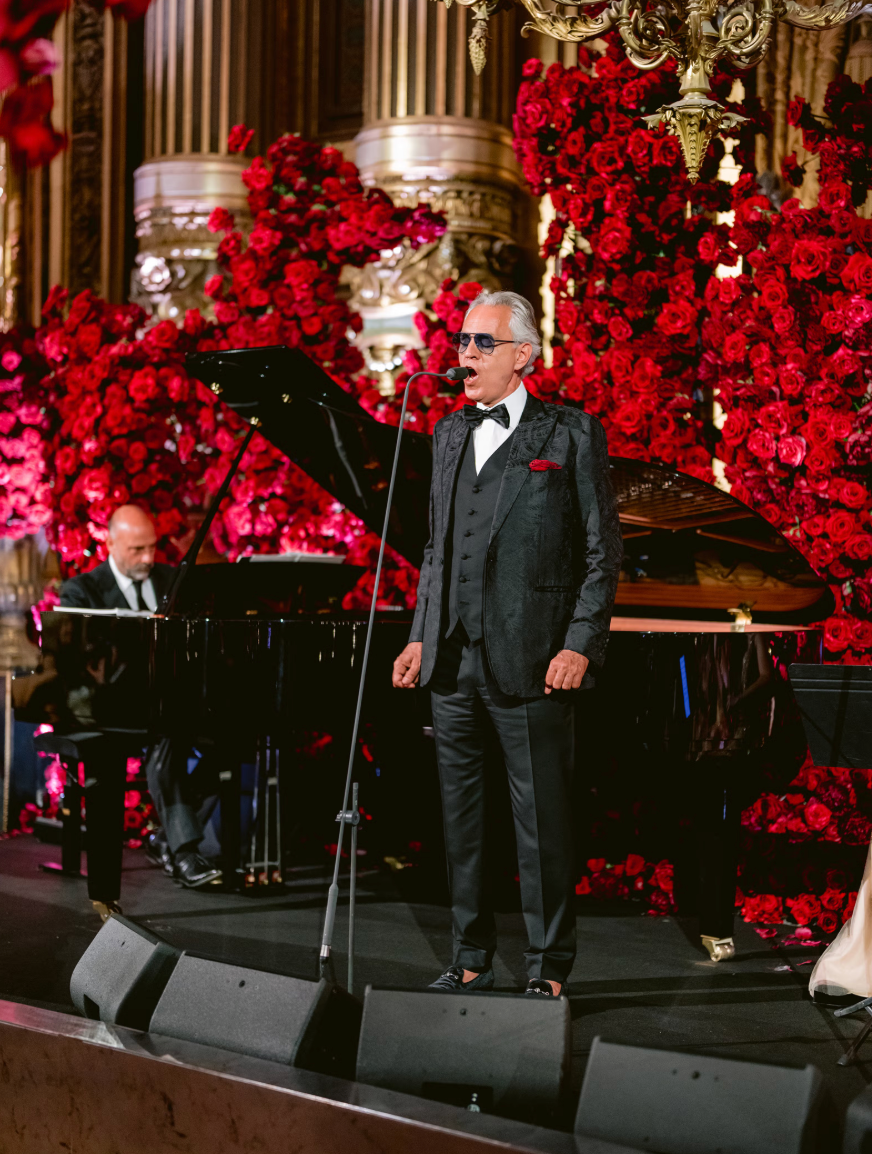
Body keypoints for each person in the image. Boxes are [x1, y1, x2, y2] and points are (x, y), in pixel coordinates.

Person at [392, 290, 623, 996]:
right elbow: (437, 548)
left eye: (482, 343)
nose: (465, 354)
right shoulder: (448, 434)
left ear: (523, 355)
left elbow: (602, 552)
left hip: (534, 659)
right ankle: (469, 957)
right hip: (453, 658)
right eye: (462, 341)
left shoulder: (569, 433)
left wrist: (579, 643)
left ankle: (547, 968)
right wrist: (420, 635)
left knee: (541, 824)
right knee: (460, 821)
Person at [60, 504, 221, 889]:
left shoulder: (173, 580)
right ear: (110, 543)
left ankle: (167, 838)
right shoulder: (82, 590)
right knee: (167, 728)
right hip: (111, 708)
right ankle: (184, 853)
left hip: (171, 704)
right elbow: (77, 664)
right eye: (137, 550)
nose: (148, 558)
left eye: (152, 547)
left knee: (232, 734)